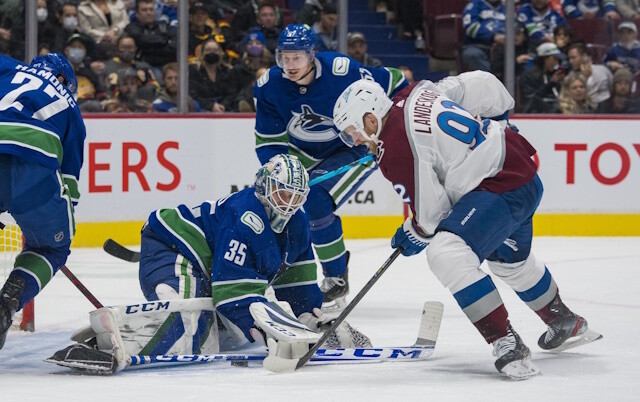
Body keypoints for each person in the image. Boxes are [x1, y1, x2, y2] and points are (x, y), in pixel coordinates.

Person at [332, 75, 602, 380]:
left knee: (446, 252)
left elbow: (433, 216)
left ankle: (506, 342)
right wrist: (501, 121)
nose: (354, 141)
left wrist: (413, 232)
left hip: (499, 187)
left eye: (352, 132)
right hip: (519, 167)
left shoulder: (394, 148)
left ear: (370, 119)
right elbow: (482, 84)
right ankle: (564, 321)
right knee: (509, 263)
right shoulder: (416, 91)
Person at [56, 155, 370, 370]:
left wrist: (311, 318)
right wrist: (266, 332)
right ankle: (108, 343)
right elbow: (231, 291)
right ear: (264, 186)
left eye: (295, 196)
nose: (288, 203)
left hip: (211, 265)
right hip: (172, 247)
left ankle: (147, 324)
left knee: (223, 336)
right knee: (193, 331)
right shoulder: (245, 218)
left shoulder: (297, 222)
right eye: (281, 193)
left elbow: (297, 281)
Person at [253, 23, 408, 309]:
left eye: (297, 57)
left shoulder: (342, 71)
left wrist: (399, 126)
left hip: (352, 148)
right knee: (274, 202)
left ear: (312, 54)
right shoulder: (269, 86)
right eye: (284, 58)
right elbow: (269, 143)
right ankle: (270, 276)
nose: (290, 65)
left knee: (316, 202)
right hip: (303, 155)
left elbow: (395, 81)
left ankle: (336, 279)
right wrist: (278, 174)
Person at [0, 53, 86, 349]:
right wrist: (53, 231)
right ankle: (6, 304)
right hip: (35, 163)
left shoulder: (9, 66)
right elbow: (69, 186)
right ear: (64, 79)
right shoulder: (72, 109)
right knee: (51, 247)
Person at [188, 39, 240, 112]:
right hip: (201, 109)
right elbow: (193, 94)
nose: (212, 52)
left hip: (224, 110)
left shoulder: (228, 71)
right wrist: (211, 106)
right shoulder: (194, 70)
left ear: (220, 53)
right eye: (208, 50)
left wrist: (223, 106)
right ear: (202, 53)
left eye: (215, 50)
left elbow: (232, 94)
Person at [519, 42, 565, 113]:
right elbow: (532, 100)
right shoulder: (528, 76)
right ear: (544, 58)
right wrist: (551, 84)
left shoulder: (552, 74)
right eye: (554, 59)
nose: (557, 63)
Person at [461, 0, 506, 72]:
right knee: (471, 54)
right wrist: (493, 36)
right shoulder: (474, 5)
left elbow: (516, 26)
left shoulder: (505, 8)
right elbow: (470, 28)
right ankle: (492, 79)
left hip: (503, 47)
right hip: (478, 46)